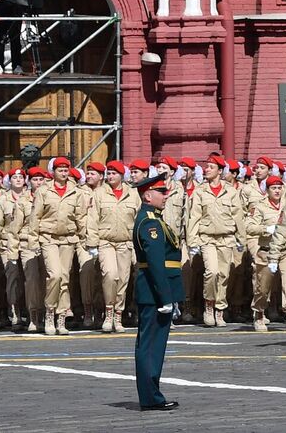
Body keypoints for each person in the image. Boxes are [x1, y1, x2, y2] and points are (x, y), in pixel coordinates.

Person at [131, 172, 183, 412]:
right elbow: (155, 263)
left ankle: (152, 395)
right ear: (147, 195)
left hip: (157, 292)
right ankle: (151, 397)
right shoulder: (150, 223)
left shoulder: (153, 218)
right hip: (154, 293)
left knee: (153, 345)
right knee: (151, 346)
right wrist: (165, 298)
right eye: (161, 192)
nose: (166, 195)